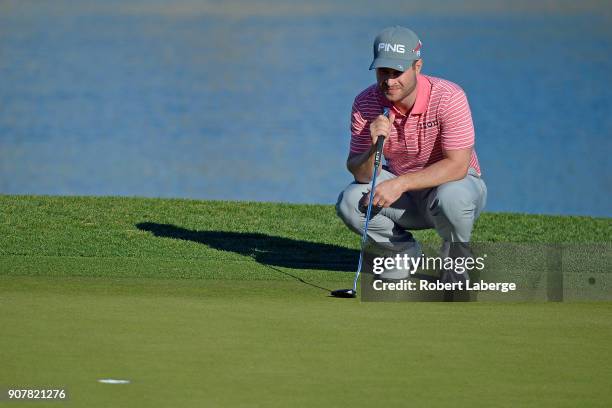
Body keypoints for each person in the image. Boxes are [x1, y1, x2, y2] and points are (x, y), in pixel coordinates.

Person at [336, 26, 487, 281]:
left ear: (417, 67)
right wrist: (375, 147)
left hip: (453, 188)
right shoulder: (365, 103)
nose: (390, 80)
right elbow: (361, 175)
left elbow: (457, 166)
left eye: (398, 72)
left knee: (453, 197)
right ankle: (403, 252)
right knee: (350, 202)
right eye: (384, 71)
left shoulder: (449, 97)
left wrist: (400, 183)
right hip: (405, 197)